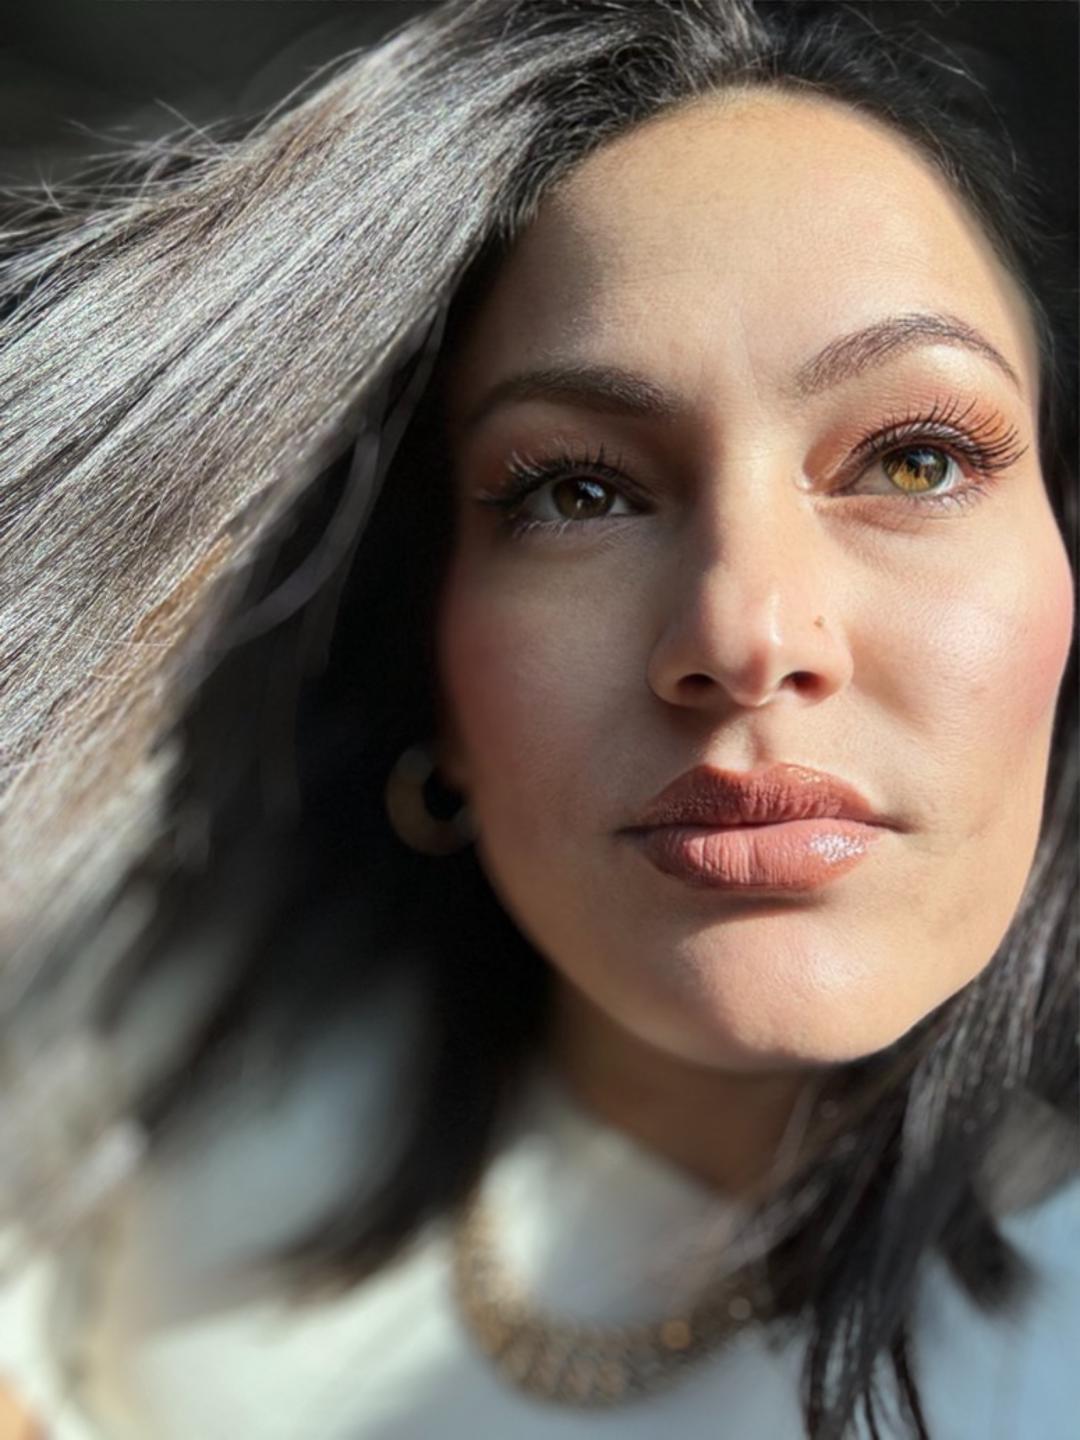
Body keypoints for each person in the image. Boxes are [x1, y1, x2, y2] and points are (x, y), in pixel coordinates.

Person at [0, 1, 1076, 1436]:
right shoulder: (121, 1056)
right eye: (579, 490)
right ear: (430, 651)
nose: (748, 634)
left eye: (915, 459)